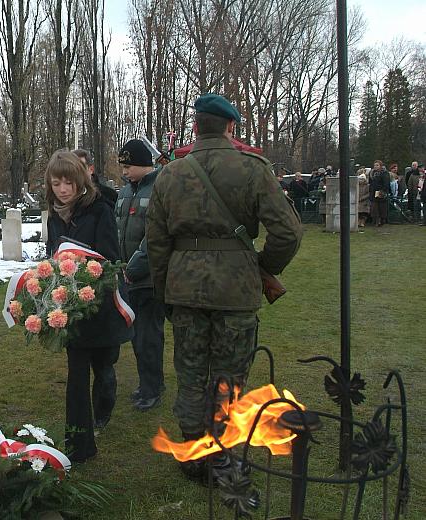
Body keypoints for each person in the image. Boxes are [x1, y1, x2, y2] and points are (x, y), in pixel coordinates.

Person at [146, 93, 302, 482]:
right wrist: (262, 267)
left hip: (184, 289)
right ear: (230, 126)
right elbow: (287, 232)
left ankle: (192, 452)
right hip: (235, 292)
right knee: (228, 377)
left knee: (190, 373)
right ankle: (219, 456)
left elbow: (156, 244)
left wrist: (166, 290)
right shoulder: (253, 168)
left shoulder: (170, 174)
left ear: (196, 127)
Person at [45, 150, 133, 463]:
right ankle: (79, 444)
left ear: (80, 180)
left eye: (68, 182)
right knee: (77, 375)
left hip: (101, 306)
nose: (62, 189)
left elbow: (110, 258)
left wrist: (84, 277)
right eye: (56, 183)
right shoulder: (54, 215)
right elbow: (53, 254)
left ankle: (104, 407)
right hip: (73, 310)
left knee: (104, 369)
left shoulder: (100, 210)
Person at [115, 139, 167, 411]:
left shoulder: (159, 188)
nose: (124, 172)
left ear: (144, 164)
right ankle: (148, 382)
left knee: (149, 336)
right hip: (127, 276)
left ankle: (152, 388)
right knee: (137, 336)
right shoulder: (125, 191)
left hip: (149, 278)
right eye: (123, 167)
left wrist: (136, 266)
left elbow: (156, 235)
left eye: (129, 166)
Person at [369, 160, 391, 227]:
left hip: (381, 192)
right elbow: (371, 183)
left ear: (380, 166)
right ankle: (375, 220)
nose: (375, 166)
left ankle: (381, 220)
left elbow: (386, 183)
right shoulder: (372, 173)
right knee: (374, 207)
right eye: (375, 165)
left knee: (381, 207)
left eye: (377, 165)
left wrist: (382, 191)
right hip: (373, 192)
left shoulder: (384, 173)